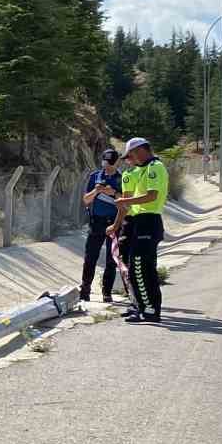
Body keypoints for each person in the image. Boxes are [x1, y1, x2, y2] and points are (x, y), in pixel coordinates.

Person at [107, 137, 169, 323]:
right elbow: (129, 200)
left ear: (141, 150)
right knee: (136, 267)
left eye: (131, 155)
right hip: (138, 221)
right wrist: (118, 223)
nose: (129, 159)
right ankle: (141, 306)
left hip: (149, 220)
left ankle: (148, 309)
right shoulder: (139, 170)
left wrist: (125, 201)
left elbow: (152, 195)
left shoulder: (154, 168)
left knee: (141, 267)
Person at [79, 149, 122, 302]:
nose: (108, 166)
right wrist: (96, 191)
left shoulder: (122, 178)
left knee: (111, 259)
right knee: (90, 257)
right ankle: (85, 290)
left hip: (114, 222)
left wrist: (113, 193)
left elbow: (126, 201)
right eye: (106, 163)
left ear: (117, 162)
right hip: (96, 222)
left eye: (111, 163)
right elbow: (86, 200)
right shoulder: (95, 176)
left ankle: (107, 292)